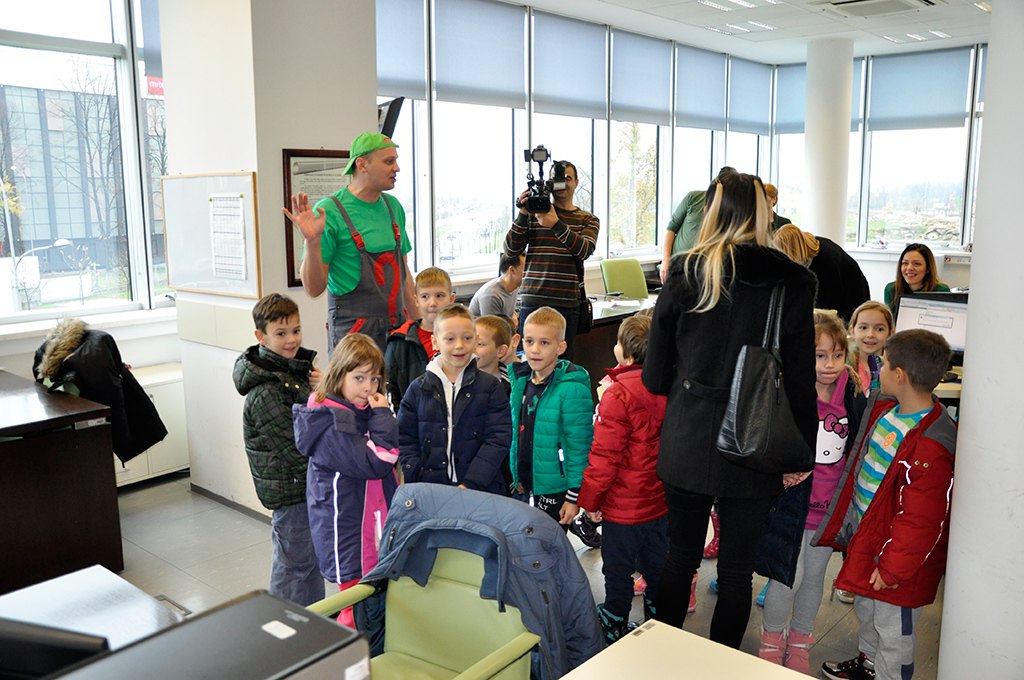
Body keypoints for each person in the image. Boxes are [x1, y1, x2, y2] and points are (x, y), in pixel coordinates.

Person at [642, 172, 818, 648]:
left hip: (688, 438)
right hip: (756, 440)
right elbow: (801, 379)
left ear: (713, 213)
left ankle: (664, 655)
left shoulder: (684, 272)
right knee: (738, 573)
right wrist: (800, 455)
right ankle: (722, 665)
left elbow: (655, 376)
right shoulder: (792, 283)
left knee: (680, 556)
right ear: (764, 215)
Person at [818, 330, 956, 680]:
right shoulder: (887, 411)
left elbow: (921, 521)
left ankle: (888, 674)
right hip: (871, 541)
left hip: (899, 565)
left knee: (894, 631)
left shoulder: (930, 446)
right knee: (868, 612)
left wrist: (894, 568)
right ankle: (868, 666)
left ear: (900, 376)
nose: (879, 368)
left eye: (885, 363)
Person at [757, 311, 866, 674]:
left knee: (815, 578)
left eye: (837, 355)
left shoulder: (850, 390)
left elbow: (856, 443)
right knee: (788, 576)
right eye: (820, 355)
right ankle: (772, 638)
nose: (830, 364)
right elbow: (769, 440)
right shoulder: (789, 389)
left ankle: (801, 639)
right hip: (791, 504)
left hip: (829, 506)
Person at [292, 333, 400, 629]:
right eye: (359, 378)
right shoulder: (330, 422)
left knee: (371, 600)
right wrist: (382, 413)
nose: (368, 388)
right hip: (348, 530)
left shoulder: (357, 412)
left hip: (368, 524)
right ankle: (349, 665)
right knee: (353, 606)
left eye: (375, 379)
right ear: (339, 376)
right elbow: (379, 460)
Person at [577, 314, 669, 644]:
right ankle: (659, 624)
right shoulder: (667, 384)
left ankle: (614, 621)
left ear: (624, 353)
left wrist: (589, 502)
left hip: (621, 509)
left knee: (617, 570)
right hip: (659, 502)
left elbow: (605, 457)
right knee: (657, 567)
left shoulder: (617, 394)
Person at [282, 131, 418, 353]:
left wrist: (420, 327)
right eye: (388, 161)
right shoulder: (330, 211)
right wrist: (312, 241)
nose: (397, 168)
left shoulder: (393, 207)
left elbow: (404, 276)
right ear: (362, 164)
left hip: (397, 333)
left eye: (396, 160)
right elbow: (314, 289)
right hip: (353, 339)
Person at [232, 293, 324, 606]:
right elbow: (297, 449)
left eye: (296, 331)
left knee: (309, 563)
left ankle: (314, 626)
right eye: (281, 333)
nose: (291, 339)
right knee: (294, 568)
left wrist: (321, 392)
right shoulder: (266, 393)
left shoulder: (294, 374)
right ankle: (288, 631)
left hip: (305, 488)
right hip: (292, 492)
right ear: (261, 336)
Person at [397, 304, 511, 495]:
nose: (459, 345)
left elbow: (498, 438)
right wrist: (418, 476)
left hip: (481, 490)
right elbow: (404, 438)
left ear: (475, 341)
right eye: (450, 339)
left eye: (467, 338)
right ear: (435, 342)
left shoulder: (491, 387)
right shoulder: (417, 389)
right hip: (431, 491)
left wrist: (472, 483)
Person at [504, 160, 599, 361]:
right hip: (533, 299)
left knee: (563, 364)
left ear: (576, 183)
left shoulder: (587, 219)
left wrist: (555, 224)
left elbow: (584, 250)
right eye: (557, 179)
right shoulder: (533, 215)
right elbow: (511, 250)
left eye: (567, 179)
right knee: (529, 362)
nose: (562, 183)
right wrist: (522, 214)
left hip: (566, 301)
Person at [509, 307, 594, 528]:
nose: (534, 350)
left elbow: (579, 446)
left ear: (561, 347)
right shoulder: (521, 382)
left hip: (556, 488)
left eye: (544, 343)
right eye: (529, 341)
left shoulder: (572, 389)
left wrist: (573, 496)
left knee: (549, 546)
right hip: (527, 483)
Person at [384, 267, 453, 409]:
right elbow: (391, 390)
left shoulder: (463, 339)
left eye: (439, 296)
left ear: (451, 299)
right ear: (416, 300)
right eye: (425, 297)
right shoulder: (399, 343)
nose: (432, 303)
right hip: (414, 422)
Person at [773, 224, 871, 323]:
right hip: (841, 299)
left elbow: (831, 302)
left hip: (851, 301)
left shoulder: (826, 259)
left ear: (792, 249)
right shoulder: (811, 248)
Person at [659, 166, 737, 283]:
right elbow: (671, 228)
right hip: (678, 267)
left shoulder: (731, 209)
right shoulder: (693, 197)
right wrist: (665, 260)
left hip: (704, 271)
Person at [883, 243, 951, 313]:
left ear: (928, 268)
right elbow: (890, 322)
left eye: (917, 264)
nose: (909, 268)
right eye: (905, 263)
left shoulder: (941, 290)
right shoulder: (891, 289)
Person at [848, 301, 895, 395]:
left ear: (891, 333)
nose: (870, 335)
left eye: (879, 329)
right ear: (852, 331)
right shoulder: (844, 366)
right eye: (863, 328)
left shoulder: (894, 368)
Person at [469, 252, 524, 328]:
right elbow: (493, 332)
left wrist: (513, 314)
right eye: (526, 268)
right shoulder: (491, 295)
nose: (530, 272)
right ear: (512, 270)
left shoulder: (514, 287)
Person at [474, 314, 516, 395]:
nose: (472, 348)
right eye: (469, 340)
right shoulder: (456, 379)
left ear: (500, 351)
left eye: (479, 344)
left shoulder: (512, 386)